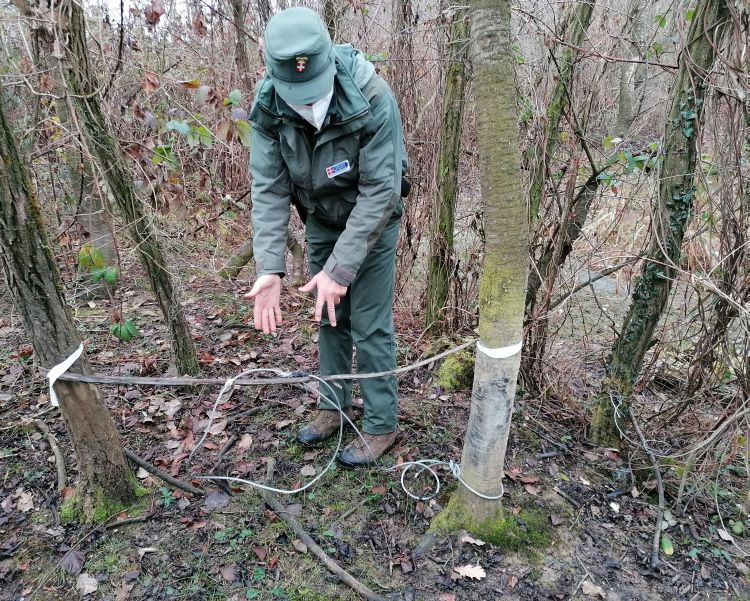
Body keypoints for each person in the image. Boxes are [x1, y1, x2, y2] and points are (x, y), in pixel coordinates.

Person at [244, 7, 409, 466]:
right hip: (320, 220)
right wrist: (270, 267)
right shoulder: (268, 107)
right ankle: (333, 406)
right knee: (329, 312)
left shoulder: (372, 95)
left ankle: (381, 425)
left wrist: (341, 268)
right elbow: (269, 188)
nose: (304, 102)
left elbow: (381, 189)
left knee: (370, 323)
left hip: (373, 220)